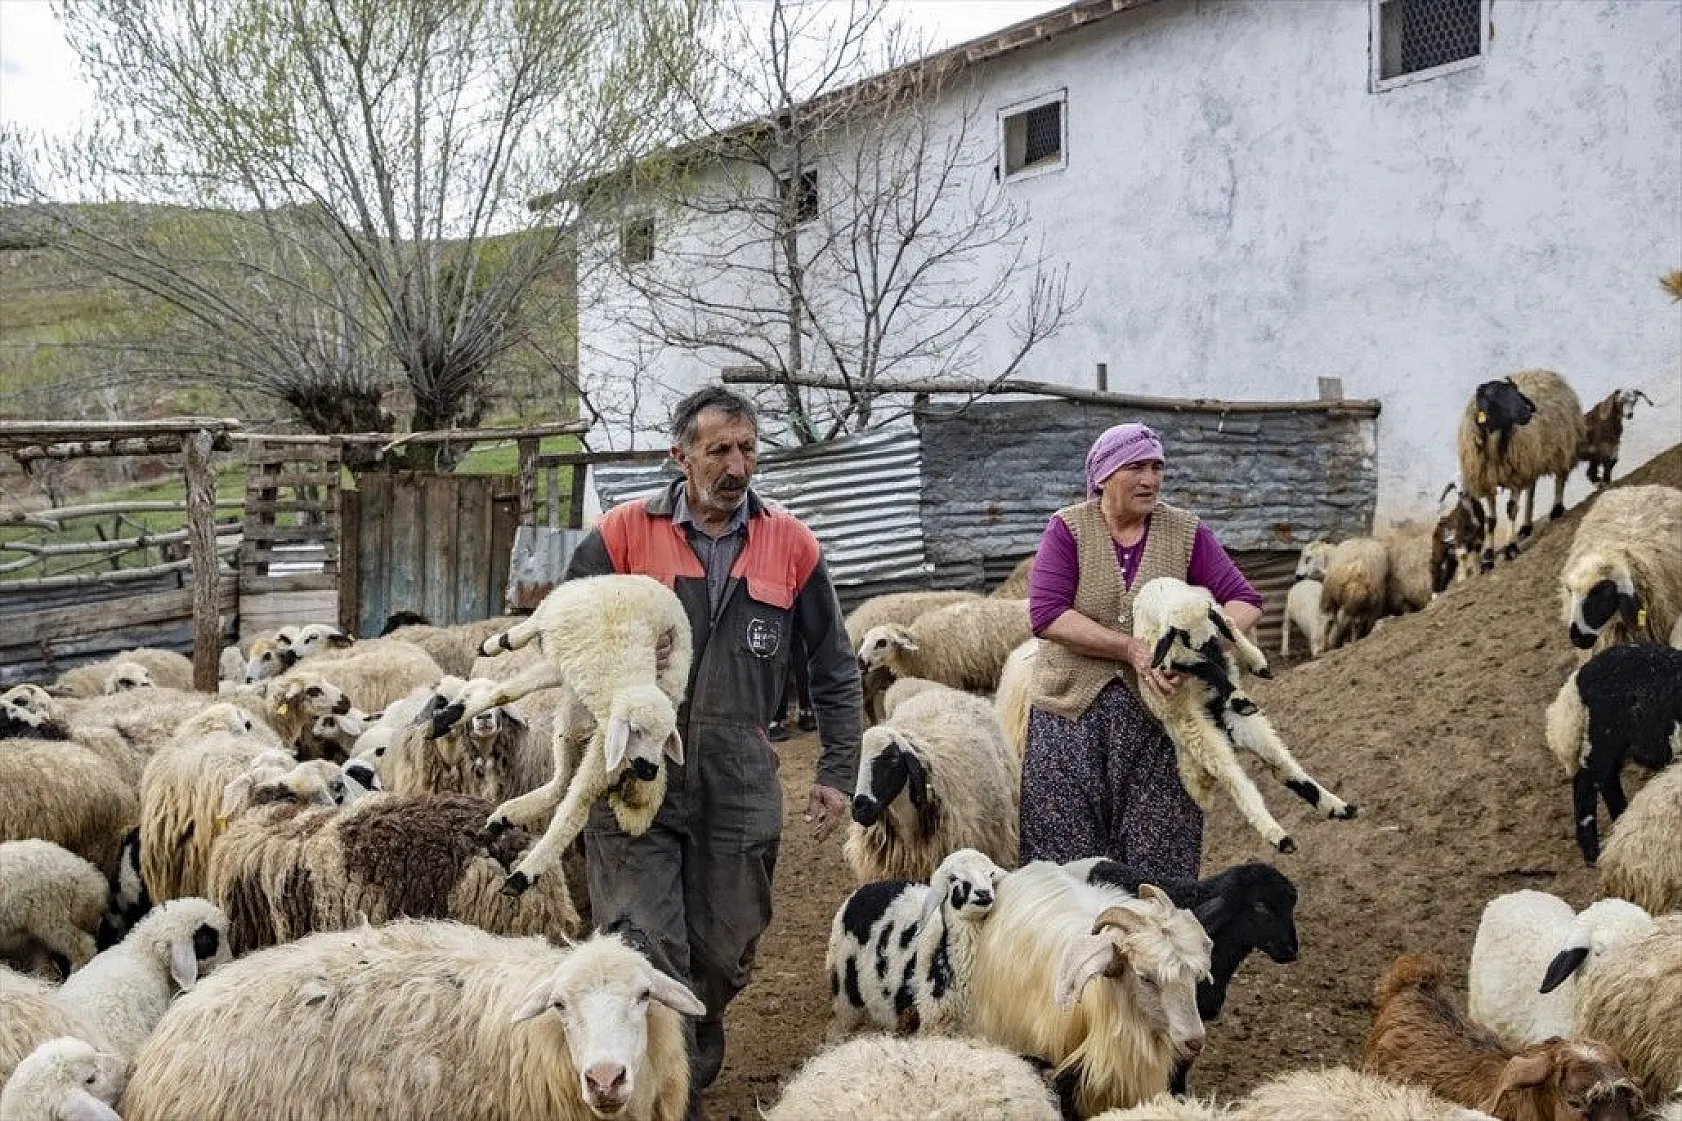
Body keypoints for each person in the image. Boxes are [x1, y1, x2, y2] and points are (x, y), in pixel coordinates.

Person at [560, 386, 860, 1113]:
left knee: (727, 946)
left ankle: (697, 1035)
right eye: (719, 450)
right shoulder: (622, 534)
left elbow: (832, 663)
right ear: (681, 455)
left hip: (740, 768)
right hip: (635, 768)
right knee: (642, 941)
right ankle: (672, 1093)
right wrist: (612, 684)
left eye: (748, 449)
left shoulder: (792, 543)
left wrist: (836, 770)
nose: (737, 465)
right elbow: (565, 629)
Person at [1021, 422, 1263, 881]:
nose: (1150, 479)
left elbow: (1243, 601)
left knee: (1159, 862)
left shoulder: (1185, 532)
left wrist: (1197, 651)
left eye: (1157, 467)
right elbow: (1048, 614)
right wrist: (1129, 648)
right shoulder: (1068, 529)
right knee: (1066, 867)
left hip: (1158, 724)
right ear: (1103, 476)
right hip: (1070, 720)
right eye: (1135, 468)